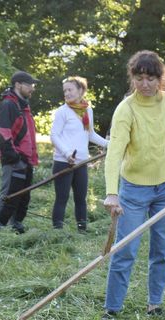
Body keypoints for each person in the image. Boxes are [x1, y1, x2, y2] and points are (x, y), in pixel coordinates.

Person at [102, 50, 165, 318]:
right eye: (139, 77)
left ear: (161, 78)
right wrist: (112, 193)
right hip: (133, 189)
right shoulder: (126, 109)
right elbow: (114, 153)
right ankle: (112, 309)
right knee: (125, 250)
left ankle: (154, 304)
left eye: (151, 78)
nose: (145, 84)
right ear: (132, 78)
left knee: (161, 250)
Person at [50, 76, 109, 231]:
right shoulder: (62, 112)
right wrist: (67, 153)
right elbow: (54, 135)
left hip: (82, 162)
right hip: (64, 162)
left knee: (81, 198)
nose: (67, 93)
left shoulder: (87, 110)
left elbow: (90, 134)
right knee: (62, 198)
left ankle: (82, 229)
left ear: (81, 90)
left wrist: (108, 145)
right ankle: (57, 231)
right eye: (65, 91)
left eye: (70, 89)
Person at [0, 71, 40, 234]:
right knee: (9, 195)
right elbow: (3, 134)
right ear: (18, 85)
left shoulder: (23, 105)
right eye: (29, 85)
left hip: (26, 159)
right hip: (14, 159)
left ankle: (17, 225)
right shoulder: (8, 104)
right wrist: (14, 156)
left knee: (23, 196)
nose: (32, 89)